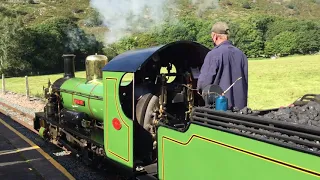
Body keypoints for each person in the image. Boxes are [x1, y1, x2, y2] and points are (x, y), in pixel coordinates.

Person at [197, 21, 248, 110]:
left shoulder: (213, 54)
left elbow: (204, 83)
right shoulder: (242, 55)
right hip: (240, 110)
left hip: (221, 109)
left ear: (215, 36)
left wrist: (198, 89)